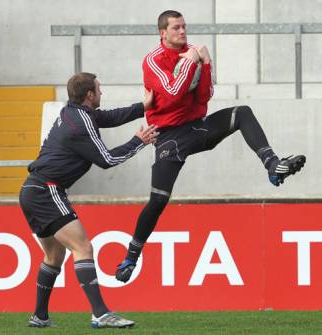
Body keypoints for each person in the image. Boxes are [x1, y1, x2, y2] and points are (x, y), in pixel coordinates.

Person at [115, 10, 306, 283]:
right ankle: (132, 255)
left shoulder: (194, 52)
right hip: (168, 137)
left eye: (184, 26)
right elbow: (171, 93)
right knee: (158, 200)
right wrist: (194, 61)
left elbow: (205, 95)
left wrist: (205, 64)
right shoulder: (153, 60)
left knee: (242, 112)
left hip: (196, 128)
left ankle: (273, 166)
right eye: (176, 28)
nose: (183, 31)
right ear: (162, 33)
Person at [19, 72, 158, 329]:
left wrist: (143, 107)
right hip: (47, 190)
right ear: (89, 95)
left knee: (54, 255)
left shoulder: (73, 112)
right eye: (99, 89)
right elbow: (106, 160)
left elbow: (109, 117)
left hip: (32, 189)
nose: (102, 93)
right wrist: (138, 142)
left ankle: (39, 317)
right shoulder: (82, 123)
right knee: (83, 247)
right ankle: (101, 313)